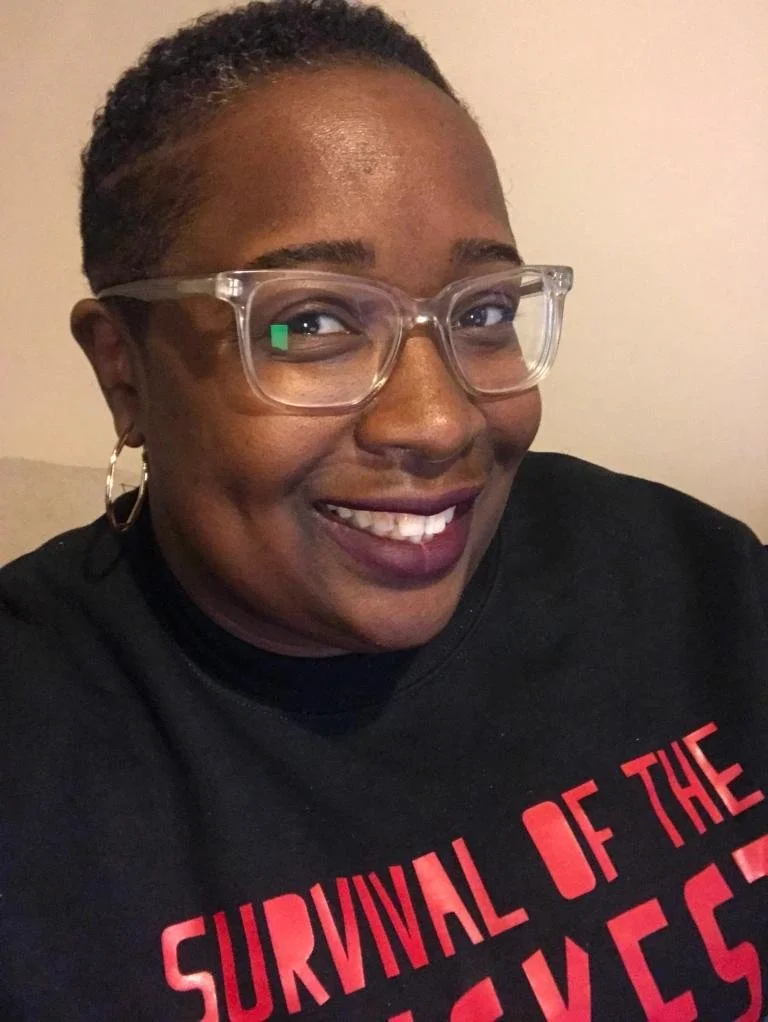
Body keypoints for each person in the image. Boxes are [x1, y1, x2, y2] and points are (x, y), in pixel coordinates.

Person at [1, 0, 766, 1017]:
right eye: (310, 322)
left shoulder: (685, 576)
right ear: (123, 371)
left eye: (485, 311)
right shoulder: (36, 753)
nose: (441, 421)